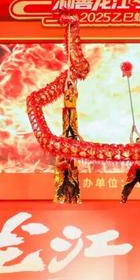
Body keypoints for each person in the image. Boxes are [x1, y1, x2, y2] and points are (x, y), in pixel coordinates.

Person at [54, 76, 82, 204]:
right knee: (65, 130)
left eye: (71, 86)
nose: (70, 87)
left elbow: (75, 88)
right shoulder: (66, 92)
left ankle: (75, 197)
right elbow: (66, 86)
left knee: (73, 130)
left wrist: (74, 80)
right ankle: (61, 197)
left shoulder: (74, 93)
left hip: (72, 111)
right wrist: (68, 77)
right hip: (66, 112)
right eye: (69, 86)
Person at [121, 126, 140, 203]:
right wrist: (132, 131)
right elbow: (130, 139)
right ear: (135, 142)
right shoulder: (132, 148)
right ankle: (123, 198)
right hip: (133, 171)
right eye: (137, 141)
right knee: (128, 185)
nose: (139, 142)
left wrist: (136, 131)